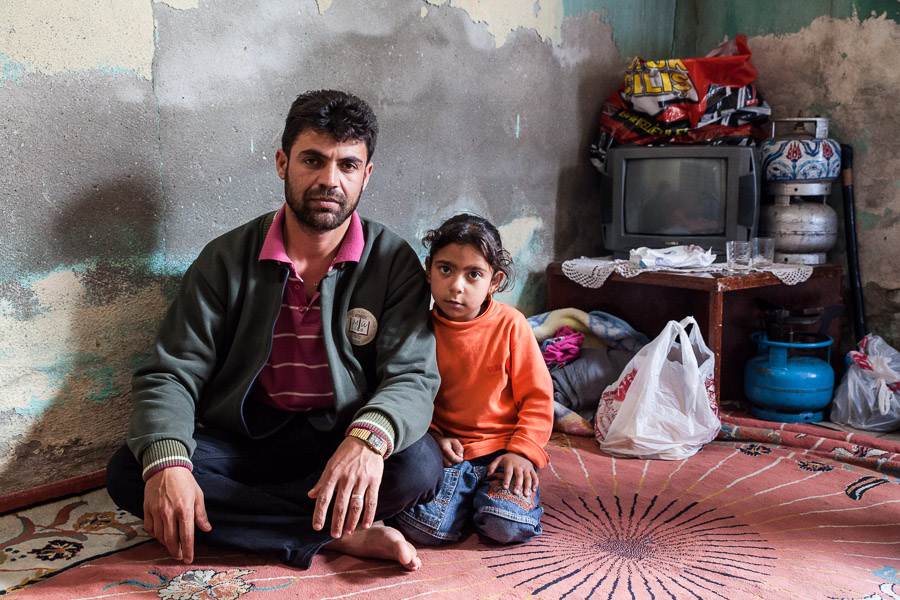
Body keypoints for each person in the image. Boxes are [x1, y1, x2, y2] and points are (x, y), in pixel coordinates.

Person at [105, 89, 444, 571]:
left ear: (366, 175)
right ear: (283, 162)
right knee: (132, 471)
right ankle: (335, 536)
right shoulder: (225, 259)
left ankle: (267, 518)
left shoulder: (392, 262)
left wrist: (367, 440)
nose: (330, 180)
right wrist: (171, 464)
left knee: (419, 466)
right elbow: (170, 374)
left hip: (339, 433)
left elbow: (413, 376)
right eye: (313, 160)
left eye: (348, 165)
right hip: (247, 439)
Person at [395, 214, 553, 545]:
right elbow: (413, 395)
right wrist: (434, 438)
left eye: (474, 275)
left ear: (494, 282)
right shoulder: (419, 329)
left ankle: (488, 501)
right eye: (446, 269)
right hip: (449, 454)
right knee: (420, 528)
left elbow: (538, 398)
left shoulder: (512, 325)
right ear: (428, 269)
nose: (456, 285)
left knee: (505, 526)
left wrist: (523, 452)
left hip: (505, 450)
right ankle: (468, 502)